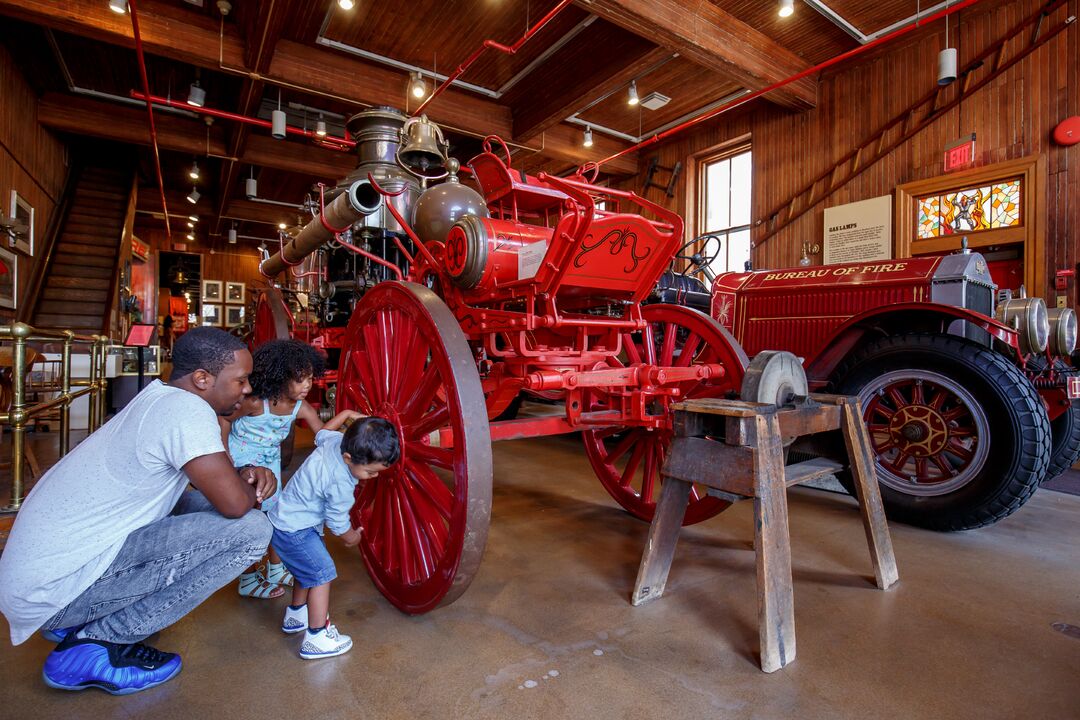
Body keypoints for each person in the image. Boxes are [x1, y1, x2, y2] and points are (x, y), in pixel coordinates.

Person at [0, 327, 276, 695]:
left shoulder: (161, 397)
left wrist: (242, 474)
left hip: (38, 582)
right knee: (251, 530)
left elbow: (214, 487)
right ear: (202, 378)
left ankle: (82, 621)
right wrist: (253, 478)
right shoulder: (187, 411)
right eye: (240, 380)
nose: (246, 390)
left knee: (205, 504)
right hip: (53, 592)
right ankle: (99, 643)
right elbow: (236, 504)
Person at [222, 339, 360, 598]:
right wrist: (225, 457)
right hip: (242, 464)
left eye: (310, 378)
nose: (308, 385)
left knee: (275, 515)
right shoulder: (255, 403)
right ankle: (248, 578)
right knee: (252, 520)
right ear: (278, 377)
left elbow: (322, 436)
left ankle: (275, 569)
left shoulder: (300, 407)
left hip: (270, 465)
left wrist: (345, 415)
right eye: (300, 379)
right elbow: (224, 419)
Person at [271, 417, 399, 659]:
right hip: (296, 530)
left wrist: (345, 413)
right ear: (349, 459)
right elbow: (337, 521)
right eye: (370, 472)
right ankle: (317, 638)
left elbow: (321, 432)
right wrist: (352, 538)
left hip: (288, 520)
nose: (372, 477)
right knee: (322, 573)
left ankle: (296, 614)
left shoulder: (338, 441)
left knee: (306, 571)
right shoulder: (340, 480)